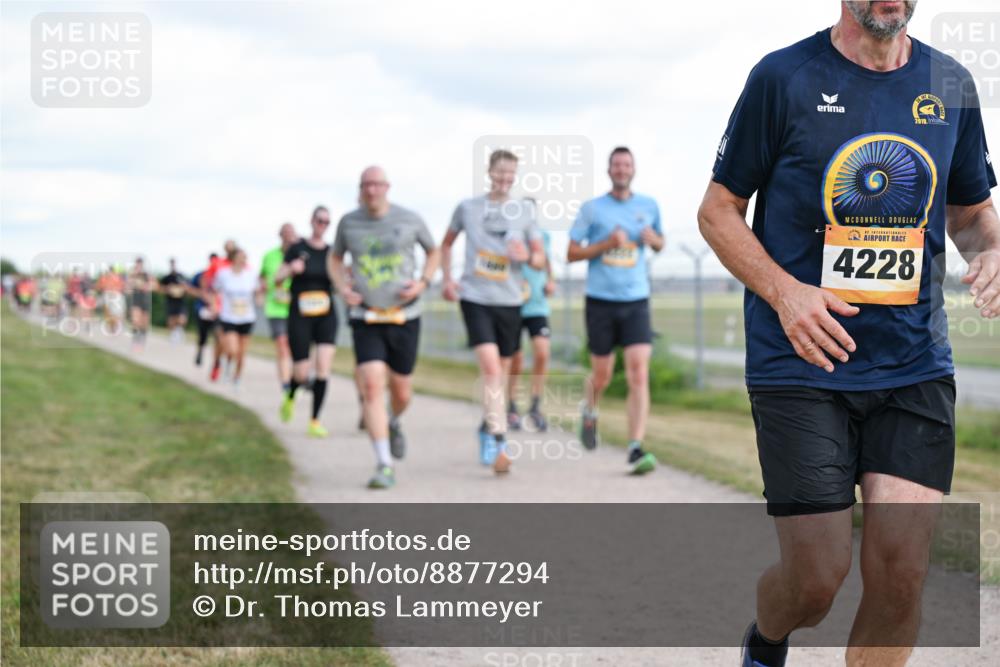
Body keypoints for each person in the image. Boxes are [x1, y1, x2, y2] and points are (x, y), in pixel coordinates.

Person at [696, 3, 998, 666]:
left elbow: (970, 210)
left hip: (914, 361)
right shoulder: (783, 77)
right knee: (815, 580)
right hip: (802, 362)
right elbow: (718, 212)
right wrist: (786, 292)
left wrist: (992, 249)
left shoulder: (950, 83)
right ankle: (766, 641)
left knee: (901, 572)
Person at [330, 165, 440, 489]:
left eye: (378, 184)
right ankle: (384, 464)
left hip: (405, 314)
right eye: (366, 185)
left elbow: (433, 251)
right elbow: (335, 259)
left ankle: (393, 420)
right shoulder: (348, 222)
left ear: (388, 187)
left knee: (402, 391)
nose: (372, 190)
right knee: (372, 384)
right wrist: (342, 288)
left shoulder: (409, 218)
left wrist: (423, 282)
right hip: (366, 315)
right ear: (360, 188)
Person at [441, 149, 546, 474]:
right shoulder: (468, 208)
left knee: (499, 374)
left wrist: (526, 256)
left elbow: (541, 259)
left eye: (510, 174)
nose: (504, 179)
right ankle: (499, 440)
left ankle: (488, 425)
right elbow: (445, 244)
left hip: (511, 301)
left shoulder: (524, 212)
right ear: (489, 172)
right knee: (490, 369)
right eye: (500, 172)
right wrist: (447, 278)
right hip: (475, 296)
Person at [567, 146, 664, 474]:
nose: (622, 169)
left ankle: (635, 447)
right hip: (601, 301)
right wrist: (606, 245)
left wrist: (654, 240)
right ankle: (590, 410)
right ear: (609, 170)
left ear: (633, 169)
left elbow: (660, 242)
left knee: (639, 372)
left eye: (627, 164)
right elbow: (571, 253)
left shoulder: (648, 206)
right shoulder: (592, 209)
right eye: (617, 165)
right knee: (603, 375)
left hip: (636, 299)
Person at [276, 207, 337, 438]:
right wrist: (291, 269)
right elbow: (277, 279)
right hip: (300, 315)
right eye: (320, 220)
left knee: (323, 367)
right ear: (312, 221)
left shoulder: (332, 252)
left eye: (327, 222)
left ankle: (315, 420)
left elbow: (341, 281)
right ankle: (290, 395)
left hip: (326, 315)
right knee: (302, 373)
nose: (323, 225)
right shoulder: (297, 249)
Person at [507, 227, 555, 432]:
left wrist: (551, 280)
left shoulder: (543, 236)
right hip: (511, 303)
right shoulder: (507, 234)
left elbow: (547, 261)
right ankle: (511, 406)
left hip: (537, 305)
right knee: (515, 360)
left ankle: (535, 406)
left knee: (542, 353)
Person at [260, 223, 298, 393]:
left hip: (296, 308)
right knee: (282, 344)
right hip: (275, 308)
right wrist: (260, 292)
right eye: (286, 233)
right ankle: (285, 383)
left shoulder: (300, 256)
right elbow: (261, 276)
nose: (289, 237)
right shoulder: (270, 255)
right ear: (280, 235)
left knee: (294, 346)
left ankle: (296, 377)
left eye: (292, 233)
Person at [213, 248, 259, 387]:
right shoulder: (223, 274)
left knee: (242, 352)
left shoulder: (251, 275)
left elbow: (257, 292)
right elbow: (215, 291)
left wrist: (260, 299)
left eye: (245, 257)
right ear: (233, 258)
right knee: (232, 349)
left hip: (247, 317)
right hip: (228, 316)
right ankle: (227, 363)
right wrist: (215, 305)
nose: (243, 260)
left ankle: (237, 377)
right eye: (240, 257)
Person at [201, 241, 236, 380]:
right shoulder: (217, 264)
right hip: (220, 308)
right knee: (220, 339)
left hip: (237, 311)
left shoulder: (243, 266)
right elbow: (205, 282)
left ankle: (227, 363)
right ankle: (217, 363)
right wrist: (210, 300)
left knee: (232, 343)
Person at [191, 254, 220, 368]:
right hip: (203, 308)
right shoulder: (201, 275)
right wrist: (202, 295)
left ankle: (217, 360)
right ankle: (200, 352)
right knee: (203, 334)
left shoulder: (221, 275)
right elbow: (191, 288)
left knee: (218, 335)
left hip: (217, 310)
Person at [159, 258, 190, 344]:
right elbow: (160, 288)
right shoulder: (167, 278)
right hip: (170, 301)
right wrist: (167, 289)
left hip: (180, 301)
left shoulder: (181, 276)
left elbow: (188, 287)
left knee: (181, 319)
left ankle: (179, 331)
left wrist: (182, 288)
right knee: (171, 320)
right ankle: (173, 335)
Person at [127, 257, 154, 348]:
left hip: (145, 299)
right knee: (135, 320)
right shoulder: (132, 274)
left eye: (140, 264)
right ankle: (135, 338)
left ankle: (142, 336)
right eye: (137, 264)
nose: (138, 266)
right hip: (136, 299)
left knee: (144, 321)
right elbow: (128, 287)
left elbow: (153, 285)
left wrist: (146, 286)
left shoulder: (146, 275)